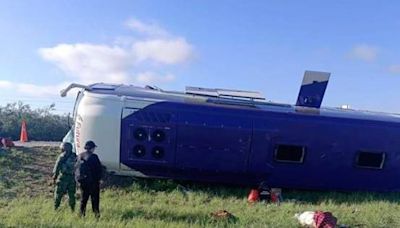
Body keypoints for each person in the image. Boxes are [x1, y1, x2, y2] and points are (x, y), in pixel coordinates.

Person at [75, 140, 103, 218]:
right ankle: (96, 215)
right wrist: (99, 179)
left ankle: (81, 214)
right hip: (93, 182)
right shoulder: (94, 157)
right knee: (95, 199)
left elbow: (75, 168)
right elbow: (98, 169)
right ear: (92, 148)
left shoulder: (79, 156)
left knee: (83, 199)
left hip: (82, 181)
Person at [53, 142, 77, 211]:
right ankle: (72, 209)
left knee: (58, 194)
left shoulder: (62, 156)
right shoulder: (75, 156)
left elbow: (57, 167)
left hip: (63, 177)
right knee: (72, 194)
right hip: (72, 178)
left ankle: (56, 208)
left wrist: (55, 177)